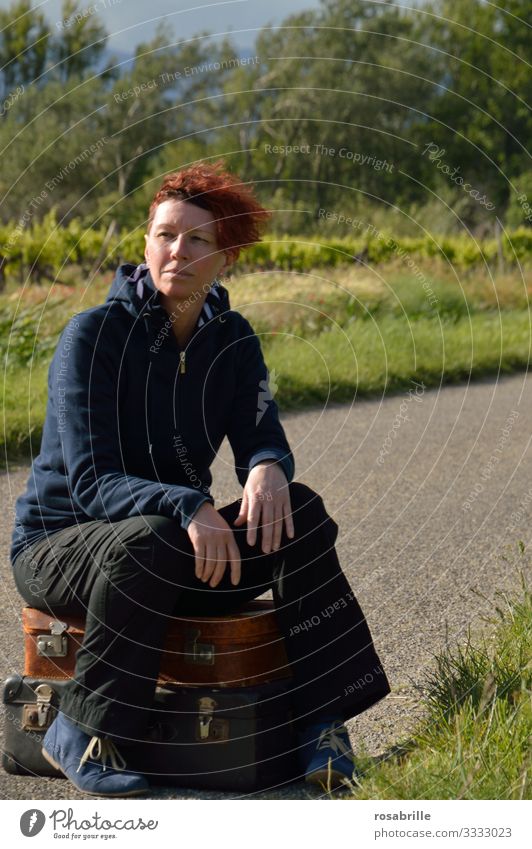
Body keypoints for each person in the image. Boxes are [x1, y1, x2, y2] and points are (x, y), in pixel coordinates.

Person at [10, 161, 391, 797]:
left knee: (300, 513)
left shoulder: (232, 341)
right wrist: (190, 505)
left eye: (197, 240)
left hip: (165, 548)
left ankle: (320, 725)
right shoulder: (94, 337)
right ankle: (78, 729)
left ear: (226, 258)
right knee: (151, 535)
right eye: (164, 235)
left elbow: (260, 430)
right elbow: (91, 481)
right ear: (145, 243)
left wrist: (268, 464)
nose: (176, 252)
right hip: (63, 547)